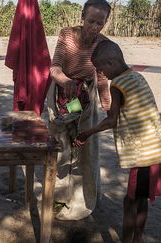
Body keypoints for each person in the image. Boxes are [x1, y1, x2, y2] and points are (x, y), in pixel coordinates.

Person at [74, 40, 161, 242]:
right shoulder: (137, 76)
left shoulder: (117, 84)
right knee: (141, 199)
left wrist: (87, 133)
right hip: (159, 149)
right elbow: (128, 110)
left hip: (145, 155)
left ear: (111, 63)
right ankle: (138, 238)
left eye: (101, 70)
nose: (102, 75)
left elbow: (111, 121)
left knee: (130, 202)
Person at [46, 0, 112, 220]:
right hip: (61, 95)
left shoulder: (103, 44)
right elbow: (54, 67)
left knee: (85, 147)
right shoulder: (66, 35)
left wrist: (107, 105)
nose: (94, 27)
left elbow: (102, 78)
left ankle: (83, 196)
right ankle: (58, 195)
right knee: (61, 145)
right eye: (91, 21)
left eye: (99, 23)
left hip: (86, 98)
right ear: (82, 16)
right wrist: (66, 82)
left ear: (105, 23)